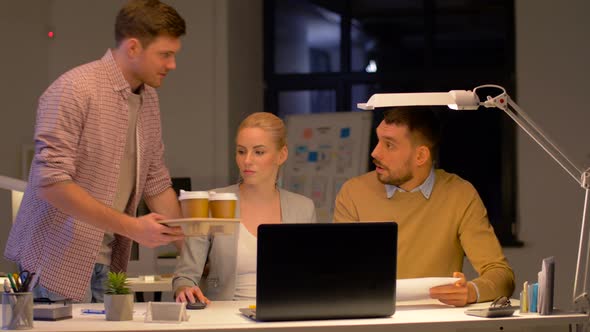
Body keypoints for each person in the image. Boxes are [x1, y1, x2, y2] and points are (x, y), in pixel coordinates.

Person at [4, 0, 186, 303]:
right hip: (53, 265)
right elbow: (52, 184)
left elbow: (156, 182)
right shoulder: (73, 89)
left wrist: (193, 255)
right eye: (165, 55)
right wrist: (134, 228)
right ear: (132, 48)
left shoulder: (148, 99)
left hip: (106, 262)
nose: (172, 65)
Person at [333, 107, 514, 307]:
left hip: (435, 321)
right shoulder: (353, 193)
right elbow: (340, 275)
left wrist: (472, 291)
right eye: (378, 141)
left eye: (389, 145)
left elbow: (501, 275)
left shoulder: (460, 194)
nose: (375, 152)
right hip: (371, 319)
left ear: (420, 156)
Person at [173, 112, 317, 304]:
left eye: (258, 152)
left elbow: (311, 277)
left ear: (281, 155)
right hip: (224, 319)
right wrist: (185, 289)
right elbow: (185, 275)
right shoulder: (212, 203)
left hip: (284, 316)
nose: (247, 160)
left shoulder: (303, 208)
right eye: (241, 151)